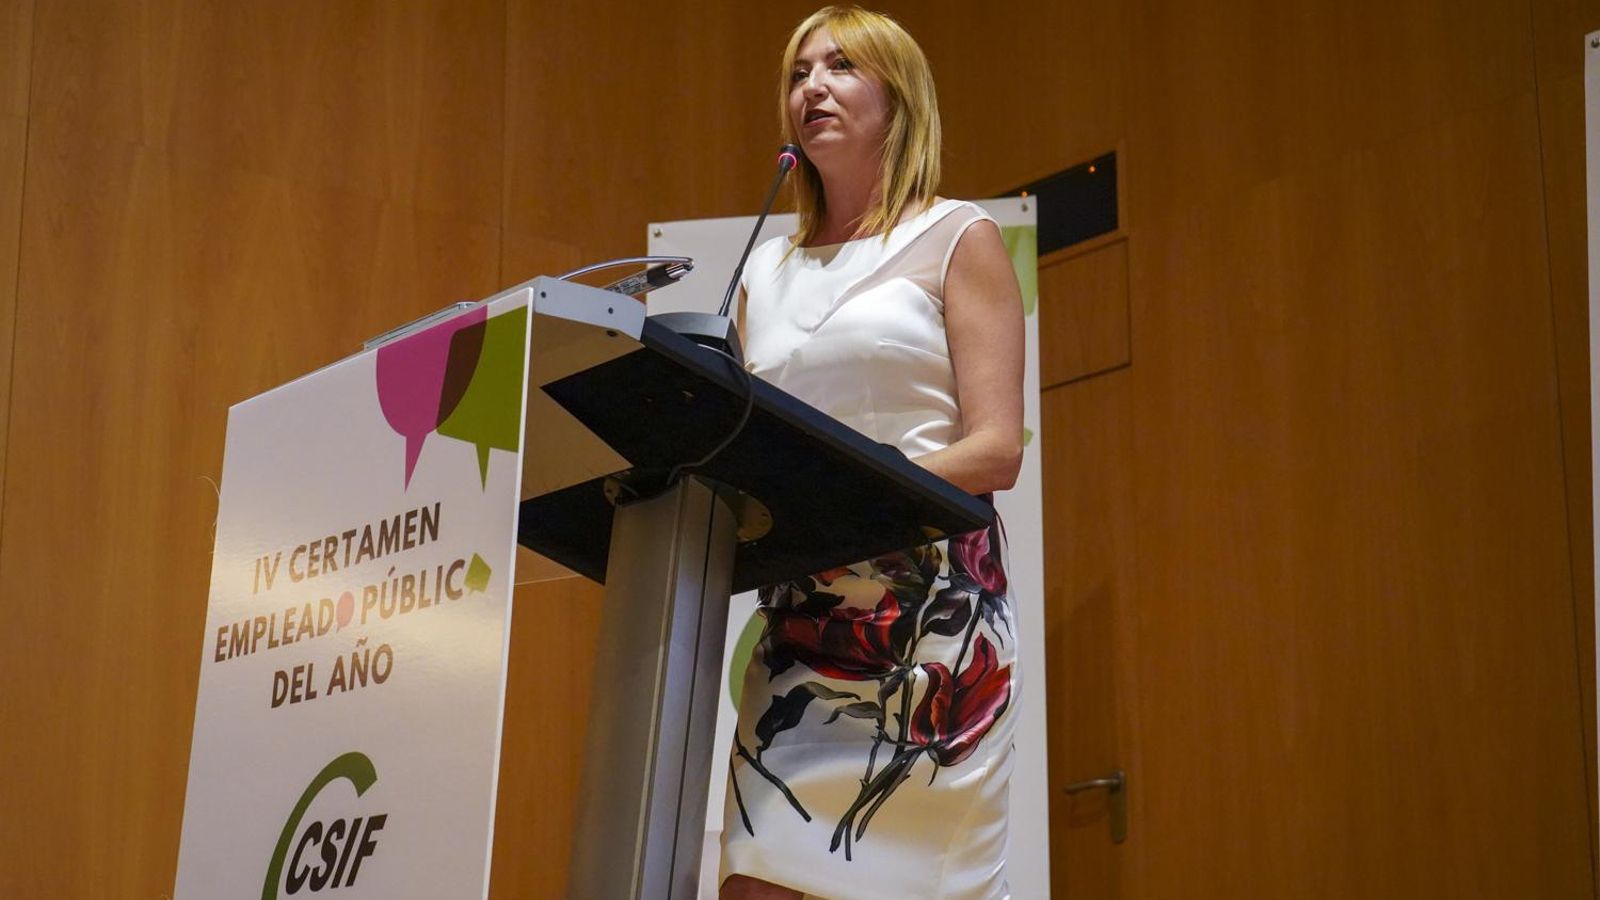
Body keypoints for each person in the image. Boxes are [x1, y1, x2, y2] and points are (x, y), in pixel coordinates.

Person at [720, 7, 1025, 899]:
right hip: (801, 629)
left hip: (932, 637)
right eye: (797, 72)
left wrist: (849, 492)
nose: (811, 85)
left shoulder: (957, 237)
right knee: (755, 880)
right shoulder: (762, 273)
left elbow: (997, 447)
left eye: (842, 65)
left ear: (899, 100)